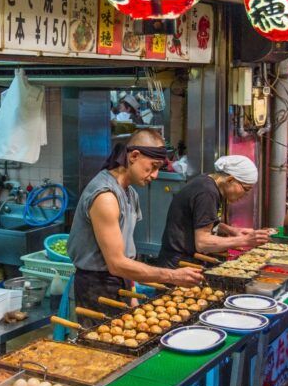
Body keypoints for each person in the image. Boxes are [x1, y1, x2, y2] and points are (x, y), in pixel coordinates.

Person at [68, 130, 202, 313]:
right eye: (153, 166)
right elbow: (116, 264)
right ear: (134, 156)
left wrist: (131, 294)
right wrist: (172, 276)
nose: (155, 175)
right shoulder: (105, 197)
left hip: (121, 280)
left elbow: (126, 253)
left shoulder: (130, 193)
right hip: (96, 287)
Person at [156, 155, 272, 268]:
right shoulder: (207, 193)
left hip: (184, 259)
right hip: (179, 264)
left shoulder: (208, 182)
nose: (245, 195)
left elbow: (201, 221)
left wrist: (231, 230)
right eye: (246, 189)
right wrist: (244, 240)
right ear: (230, 180)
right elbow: (203, 243)